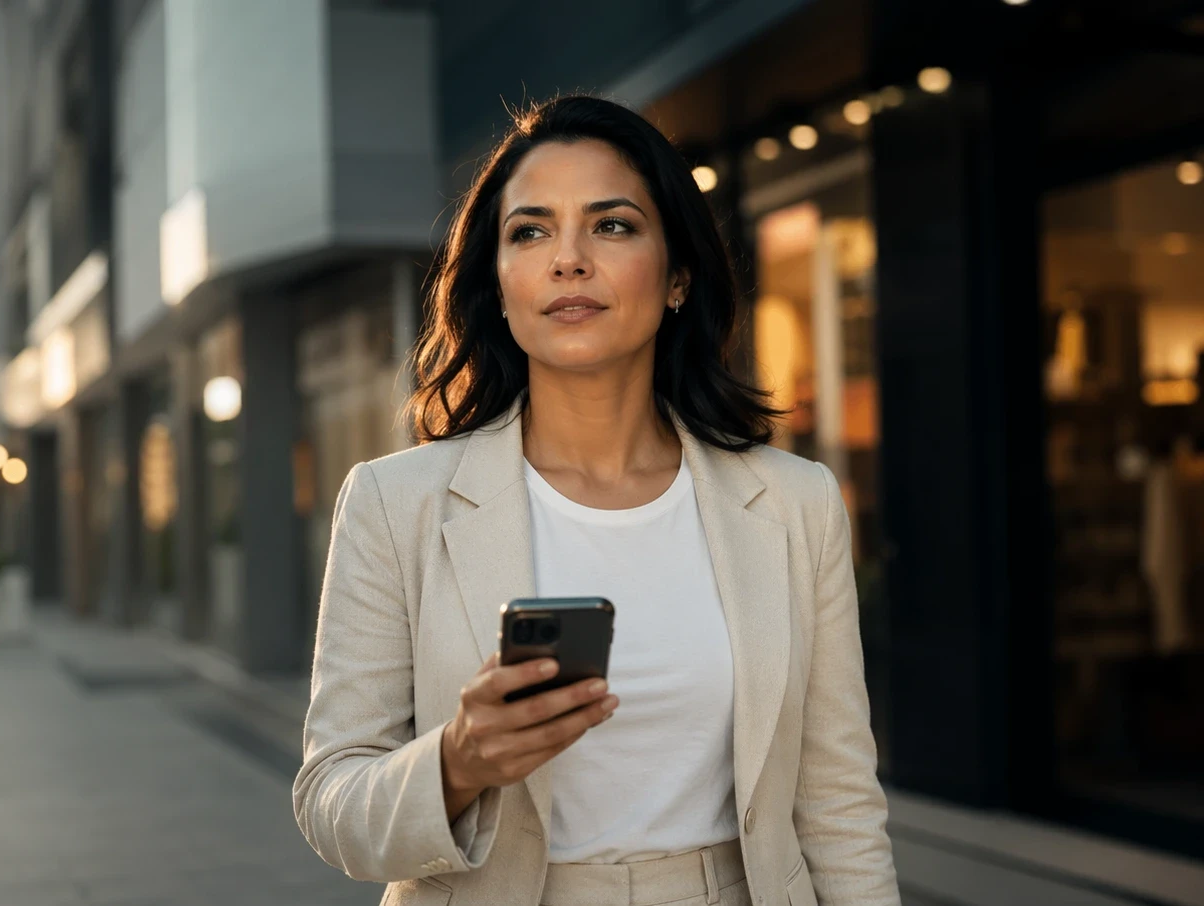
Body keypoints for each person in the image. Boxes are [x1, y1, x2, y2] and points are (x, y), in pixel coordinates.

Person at [293, 95, 899, 906]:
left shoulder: (795, 502)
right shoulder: (393, 503)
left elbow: (837, 802)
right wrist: (460, 759)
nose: (568, 259)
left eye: (611, 225)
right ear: (499, 285)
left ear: (678, 275)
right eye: (531, 231)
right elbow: (332, 803)